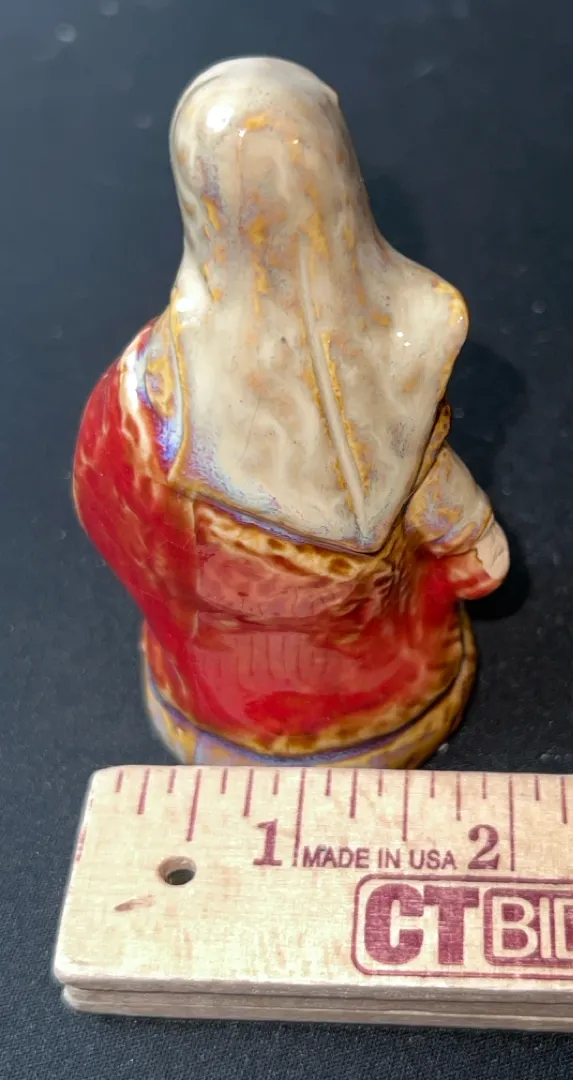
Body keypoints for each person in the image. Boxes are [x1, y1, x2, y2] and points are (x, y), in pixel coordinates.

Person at [73, 57, 509, 768]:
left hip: (258, 673)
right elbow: (435, 493)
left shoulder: (138, 405)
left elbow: (105, 508)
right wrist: (471, 535)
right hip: (339, 666)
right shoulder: (394, 334)